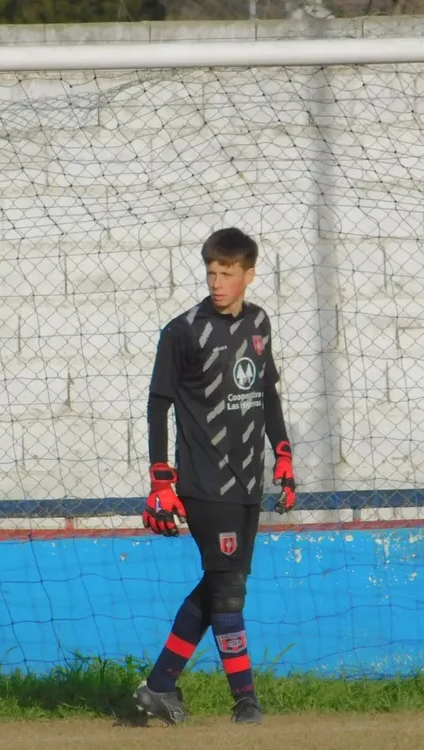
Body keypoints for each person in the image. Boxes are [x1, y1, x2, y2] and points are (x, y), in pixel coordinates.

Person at [132, 227, 297, 726]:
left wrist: (283, 454)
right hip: (204, 483)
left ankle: (159, 686)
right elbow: (158, 403)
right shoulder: (182, 331)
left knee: (220, 583)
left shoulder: (260, 323)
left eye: (227, 273)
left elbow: (267, 392)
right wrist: (162, 478)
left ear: (249, 274)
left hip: (249, 482)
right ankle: (246, 702)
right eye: (211, 272)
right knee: (228, 591)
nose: (217, 281)